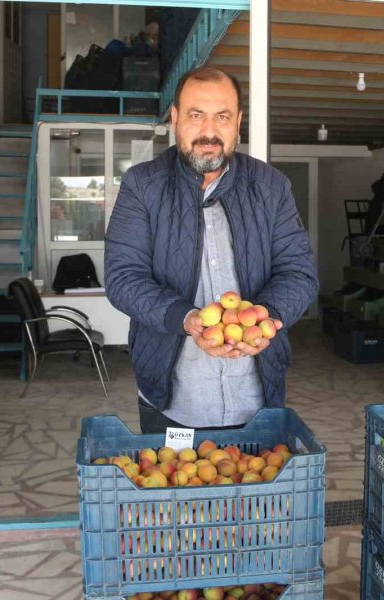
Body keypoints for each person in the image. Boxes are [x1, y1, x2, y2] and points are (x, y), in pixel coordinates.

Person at [105, 67, 318, 434]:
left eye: (222, 116)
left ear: (238, 122)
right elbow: (123, 278)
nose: (209, 132)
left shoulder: (271, 186)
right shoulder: (143, 186)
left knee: (255, 490)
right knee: (178, 490)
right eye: (195, 115)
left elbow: (299, 273)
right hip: (172, 398)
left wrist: (264, 317)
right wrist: (187, 319)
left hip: (258, 396)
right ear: (174, 119)